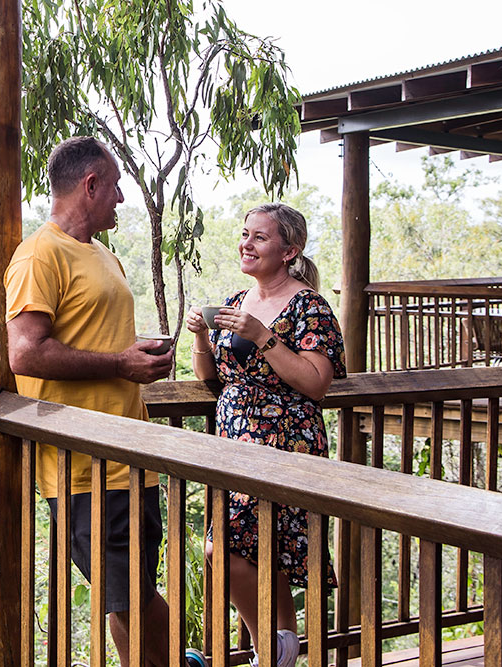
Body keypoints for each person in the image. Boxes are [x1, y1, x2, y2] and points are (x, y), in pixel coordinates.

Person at [5, 136, 205, 667]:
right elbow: (26, 354)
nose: (120, 198)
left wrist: (133, 354)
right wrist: (121, 364)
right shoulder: (38, 256)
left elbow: (95, 337)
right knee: (130, 598)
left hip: (131, 455)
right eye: (115, 186)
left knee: (129, 597)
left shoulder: (104, 257)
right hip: (83, 466)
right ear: (90, 184)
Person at [184, 203, 345, 667]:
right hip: (236, 440)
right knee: (261, 555)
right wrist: (200, 335)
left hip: (285, 441)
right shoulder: (237, 301)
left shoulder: (309, 305)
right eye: (244, 234)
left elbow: (317, 382)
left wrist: (262, 336)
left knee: (224, 547)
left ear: (289, 250)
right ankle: (283, 651)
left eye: (259, 237)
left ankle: (265, 650)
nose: (246, 243)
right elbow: (212, 376)